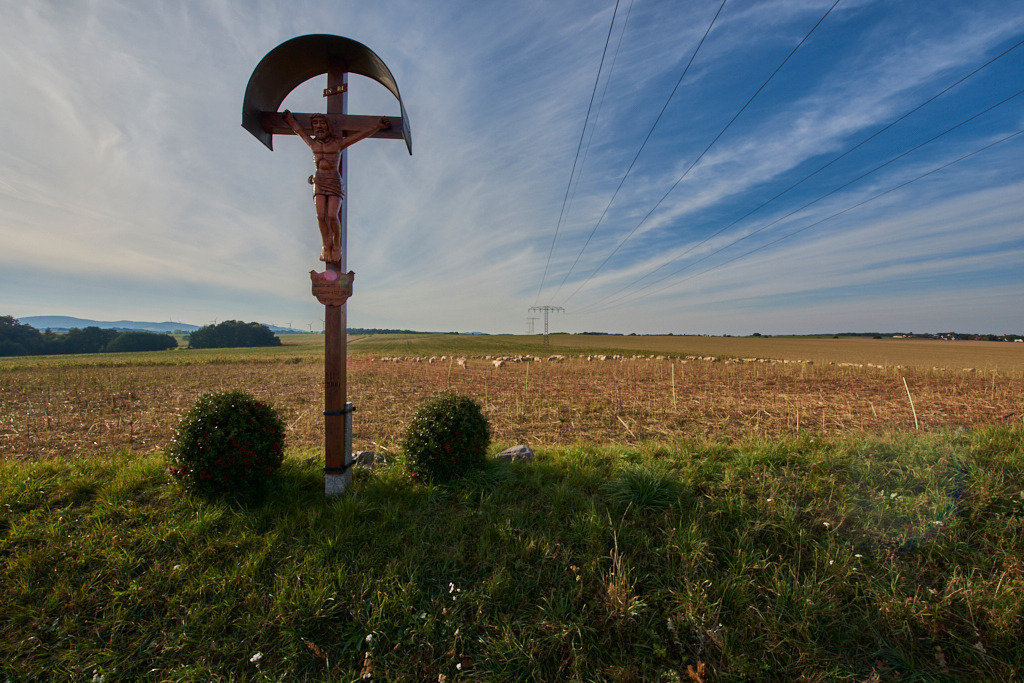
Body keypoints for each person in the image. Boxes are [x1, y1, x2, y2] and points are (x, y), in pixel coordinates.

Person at [283, 110, 390, 263]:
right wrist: (290, 120)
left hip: (333, 181)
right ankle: (326, 245)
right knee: (320, 216)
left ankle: (337, 245)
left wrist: (377, 126)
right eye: (315, 124)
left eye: (321, 123)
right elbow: (299, 131)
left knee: (332, 215)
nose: (318, 126)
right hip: (318, 180)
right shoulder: (312, 143)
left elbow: (359, 135)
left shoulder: (337, 144)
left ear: (327, 126)